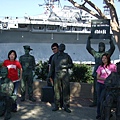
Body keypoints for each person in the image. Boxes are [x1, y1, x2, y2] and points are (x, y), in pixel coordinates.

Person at [86, 35, 115, 107]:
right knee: (96, 89)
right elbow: (88, 48)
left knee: (106, 89)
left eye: (102, 46)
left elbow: (112, 48)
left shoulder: (106, 54)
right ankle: (95, 102)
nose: (101, 47)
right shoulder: (96, 54)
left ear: (104, 47)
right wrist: (88, 40)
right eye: (100, 46)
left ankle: (104, 102)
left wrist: (111, 40)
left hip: (105, 74)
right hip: (97, 73)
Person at [48, 43, 73, 113]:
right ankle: (57, 105)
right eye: (60, 47)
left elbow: (71, 64)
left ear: (64, 48)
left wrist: (65, 66)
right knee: (56, 91)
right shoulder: (54, 57)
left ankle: (66, 105)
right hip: (57, 75)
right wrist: (49, 76)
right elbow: (52, 68)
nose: (61, 48)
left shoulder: (67, 56)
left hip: (65, 75)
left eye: (63, 47)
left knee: (66, 91)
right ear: (59, 48)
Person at [96, 53, 116, 119]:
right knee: (100, 99)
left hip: (109, 86)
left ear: (108, 59)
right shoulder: (100, 67)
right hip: (100, 84)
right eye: (102, 58)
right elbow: (98, 77)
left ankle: (108, 113)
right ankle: (99, 113)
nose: (103, 60)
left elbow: (115, 76)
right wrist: (105, 79)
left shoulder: (112, 66)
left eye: (105, 58)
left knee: (108, 100)